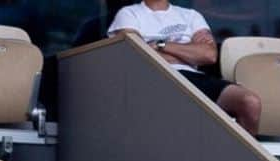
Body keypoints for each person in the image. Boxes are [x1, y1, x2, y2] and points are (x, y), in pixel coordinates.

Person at [107, 1, 261, 133]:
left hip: (194, 79)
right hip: (154, 76)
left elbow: (209, 55)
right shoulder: (129, 14)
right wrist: (189, 50)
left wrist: (160, 45)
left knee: (250, 102)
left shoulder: (191, 15)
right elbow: (136, 54)